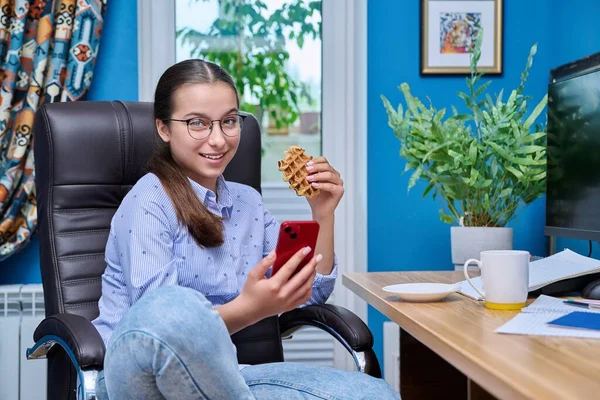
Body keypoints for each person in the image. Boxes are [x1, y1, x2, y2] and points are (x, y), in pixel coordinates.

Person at [91, 59, 399, 400]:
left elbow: (309, 291)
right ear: (164, 129)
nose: (218, 139)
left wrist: (323, 214)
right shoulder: (149, 199)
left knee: (373, 394)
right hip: (136, 377)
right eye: (198, 124)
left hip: (227, 377)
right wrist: (250, 309)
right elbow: (162, 332)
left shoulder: (247, 202)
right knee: (172, 308)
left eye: (229, 122)